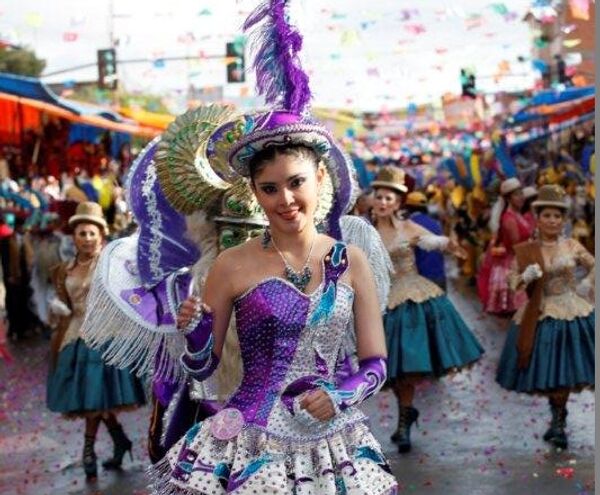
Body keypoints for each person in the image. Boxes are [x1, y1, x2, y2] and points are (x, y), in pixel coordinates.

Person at [148, 2, 397, 492]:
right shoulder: (231, 265)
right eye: (269, 188)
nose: (285, 199)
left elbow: (375, 363)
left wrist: (341, 394)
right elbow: (204, 366)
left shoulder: (351, 262)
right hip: (252, 443)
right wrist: (194, 331)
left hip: (334, 445)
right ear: (254, 193)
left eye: (295, 182)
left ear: (319, 177)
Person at [371, 166, 484, 453]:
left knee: (406, 367)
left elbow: (430, 241)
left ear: (398, 203)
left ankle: (404, 422)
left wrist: (447, 245)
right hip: (381, 302)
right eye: (379, 197)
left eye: (389, 198)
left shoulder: (408, 228)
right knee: (391, 371)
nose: (383, 202)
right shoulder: (365, 231)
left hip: (411, 299)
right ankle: (406, 413)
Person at [46, 202, 146, 482]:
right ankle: (120, 440)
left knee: (93, 399)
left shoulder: (112, 264)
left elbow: (130, 296)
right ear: (74, 237)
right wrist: (56, 308)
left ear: (101, 235)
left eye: (92, 233)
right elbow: (62, 306)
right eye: (82, 233)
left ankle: (88, 450)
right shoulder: (63, 270)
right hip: (73, 338)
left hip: (105, 337)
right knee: (94, 398)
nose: (87, 238)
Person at [496, 185, 594, 450]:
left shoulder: (572, 245)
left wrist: (587, 284)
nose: (552, 220)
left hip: (572, 311)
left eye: (557, 216)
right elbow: (514, 283)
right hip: (539, 315)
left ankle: (559, 421)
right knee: (552, 372)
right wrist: (525, 277)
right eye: (547, 215)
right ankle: (557, 418)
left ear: (563, 220)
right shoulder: (527, 250)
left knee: (564, 371)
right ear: (538, 218)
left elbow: (594, 265)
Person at [477, 178, 534, 315]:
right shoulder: (509, 218)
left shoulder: (517, 215)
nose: (521, 198)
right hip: (515, 263)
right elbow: (517, 246)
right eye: (517, 195)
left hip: (523, 259)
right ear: (508, 198)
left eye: (522, 194)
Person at [404, 190, 446, 290]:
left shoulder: (408, 225)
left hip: (420, 279)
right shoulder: (435, 223)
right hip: (439, 275)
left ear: (408, 208)